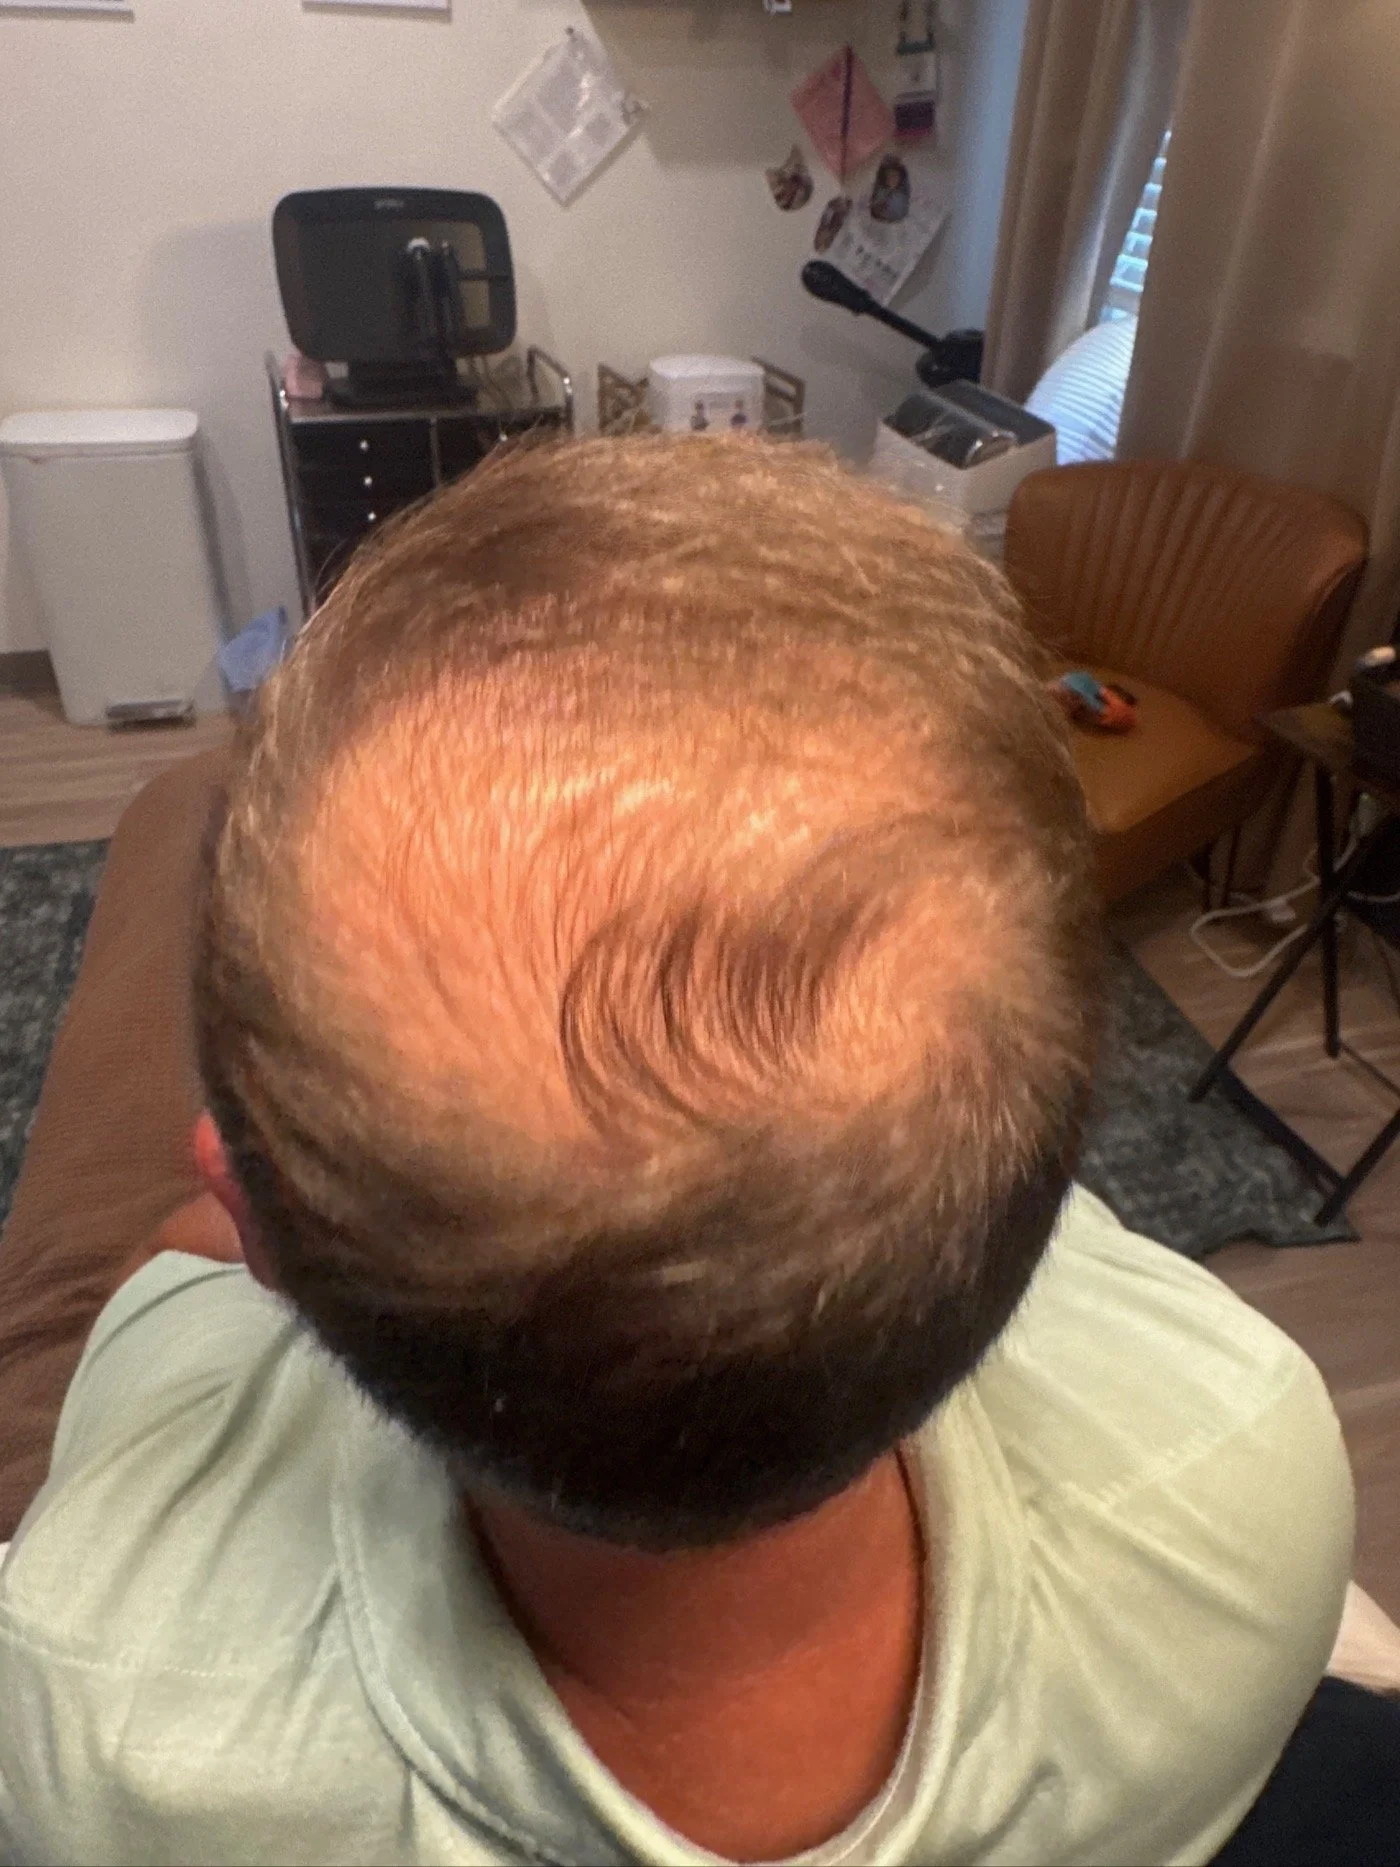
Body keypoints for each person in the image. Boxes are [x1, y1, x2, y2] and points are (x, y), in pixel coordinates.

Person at [0, 437, 1363, 1864]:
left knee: (166, 853)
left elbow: (170, 1279)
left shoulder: (116, 1715)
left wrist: (237, 1227)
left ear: (258, 1220)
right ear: (1039, 1179)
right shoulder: (1246, 1472)